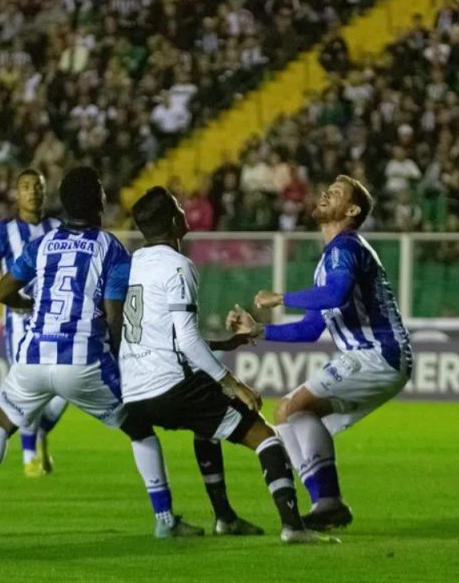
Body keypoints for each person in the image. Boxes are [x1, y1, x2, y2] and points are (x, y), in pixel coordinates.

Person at [0, 167, 197, 538]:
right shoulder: (111, 249)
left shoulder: (41, 245)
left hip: (31, 359)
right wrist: (123, 362)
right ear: (100, 202)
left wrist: (28, 306)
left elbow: (0, 292)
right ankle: (165, 520)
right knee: (141, 431)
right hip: (83, 361)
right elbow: (113, 318)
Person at [119, 186, 336, 544]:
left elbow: (165, 337)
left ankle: (225, 518)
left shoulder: (135, 263)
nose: (184, 209)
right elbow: (186, 340)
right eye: (179, 205)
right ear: (174, 220)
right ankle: (293, 527)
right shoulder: (178, 266)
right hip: (169, 384)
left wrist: (223, 345)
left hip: (135, 391)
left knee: (207, 428)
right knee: (266, 437)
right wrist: (233, 383)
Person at [227, 175, 412, 531]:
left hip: (378, 352)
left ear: (353, 210)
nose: (326, 193)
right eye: (327, 189)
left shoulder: (346, 248)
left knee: (293, 408)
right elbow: (311, 329)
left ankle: (327, 500)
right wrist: (259, 331)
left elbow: (336, 295)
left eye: (337, 194)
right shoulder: (331, 258)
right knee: (288, 415)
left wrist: (280, 298)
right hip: (377, 357)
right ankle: (325, 504)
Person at [0, 168, 65, 477]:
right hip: (19, 322)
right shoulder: (3, 231)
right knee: (28, 386)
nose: (32, 192)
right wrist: (9, 296)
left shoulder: (58, 228)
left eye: (37, 186)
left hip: (56, 320)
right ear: (17, 193)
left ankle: (40, 435)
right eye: (26, 186)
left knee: (63, 391)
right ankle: (30, 458)